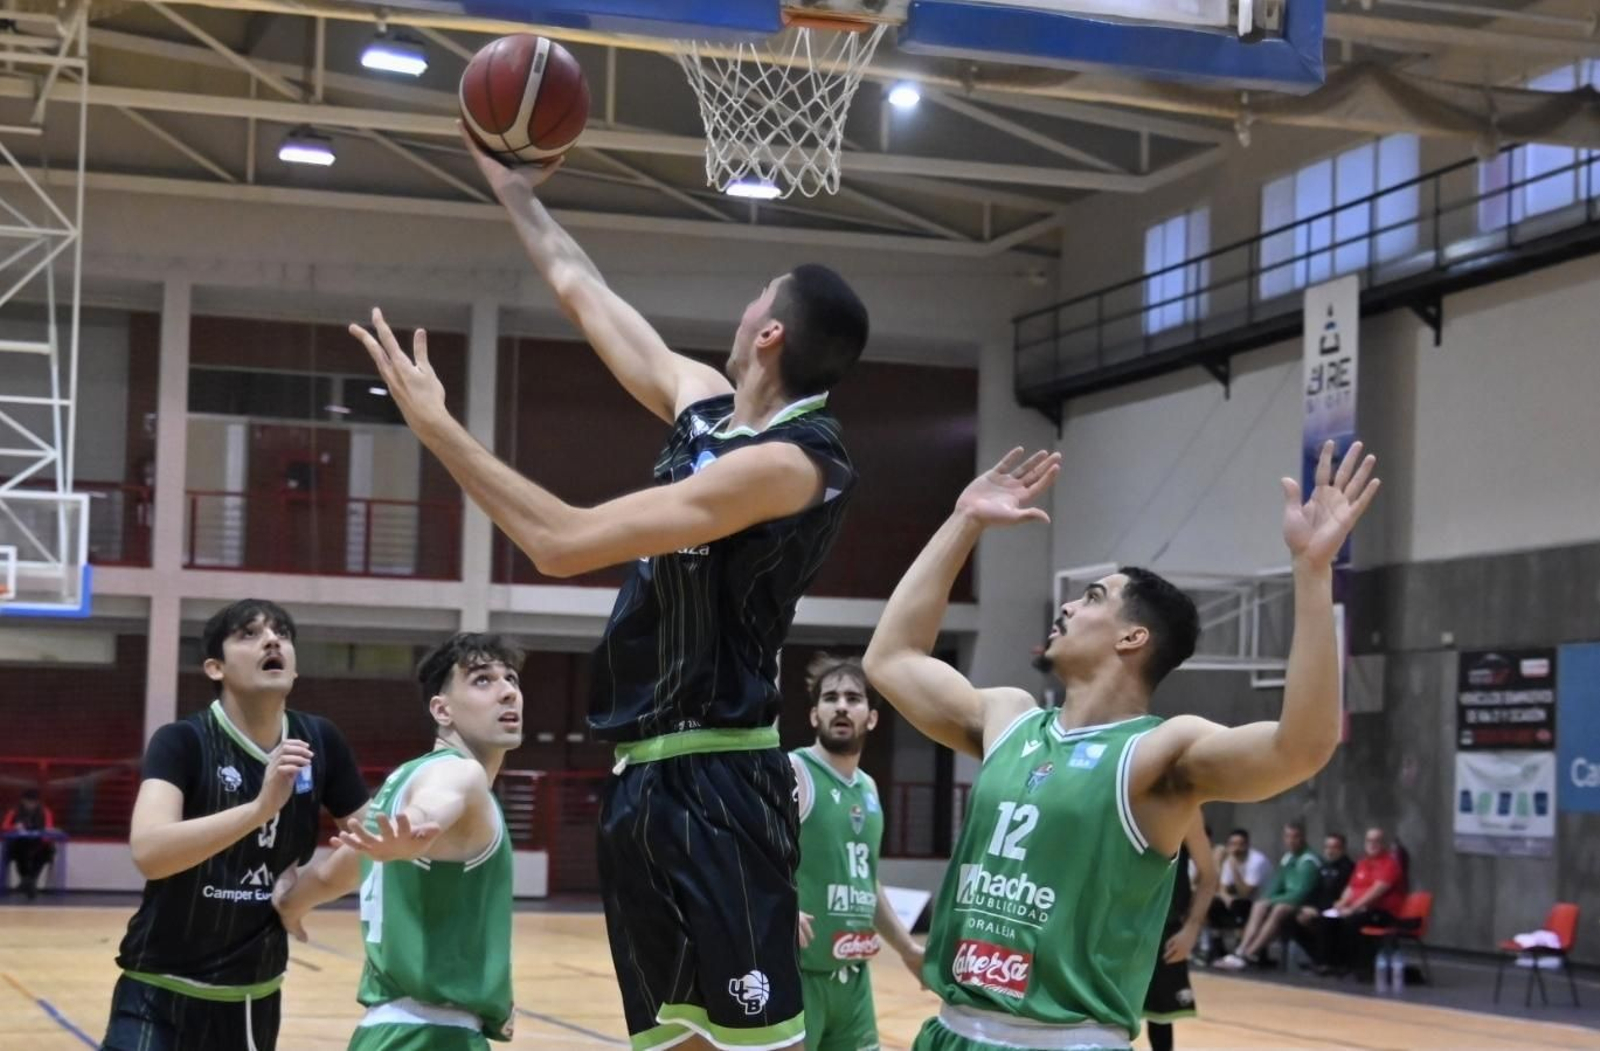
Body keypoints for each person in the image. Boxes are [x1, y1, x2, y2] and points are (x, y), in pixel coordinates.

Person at [350, 138, 869, 1051]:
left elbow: (558, 542)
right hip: (640, 782)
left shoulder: (795, 462)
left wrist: (436, 427)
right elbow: (584, 292)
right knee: (669, 1040)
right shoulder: (704, 402)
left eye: (759, 295)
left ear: (772, 331)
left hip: (722, 780)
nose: (744, 304)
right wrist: (514, 191)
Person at [863, 440, 1379, 1051]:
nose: (1069, 605)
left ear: (1133, 637)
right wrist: (964, 520)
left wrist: (1312, 574)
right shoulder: (1009, 718)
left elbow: (1301, 749)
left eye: (1093, 599)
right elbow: (891, 659)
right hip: (949, 1031)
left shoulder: (1159, 753)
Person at [100, 599, 369, 1051]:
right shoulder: (182, 741)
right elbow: (149, 852)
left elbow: (371, 844)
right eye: (249, 634)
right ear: (214, 667)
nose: (272, 640)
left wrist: (302, 899)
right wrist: (259, 809)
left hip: (251, 997)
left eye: (281, 633)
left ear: (294, 668)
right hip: (157, 988)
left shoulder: (320, 740)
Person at [275, 632, 524, 1050]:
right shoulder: (459, 774)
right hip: (431, 1036)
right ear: (441, 709)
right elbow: (433, 808)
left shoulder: (398, 782)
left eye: (512, 680)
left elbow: (329, 878)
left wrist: (288, 904)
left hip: (383, 1034)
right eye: (483, 680)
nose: (507, 693)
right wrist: (414, 834)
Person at [791, 654, 923, 1051]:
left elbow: (866, 883)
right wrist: (779, 904)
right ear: (815, 716)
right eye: (831, 698)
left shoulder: (868, 788)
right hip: (798, 976)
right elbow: (744, 855)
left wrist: (907, 948)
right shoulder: (793, 772)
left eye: (853, 698)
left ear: (872, 718)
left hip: (853, 979)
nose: (842, 705)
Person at [1141, 818, 1218, 1051]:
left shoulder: (1186, 809)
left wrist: (1191, 928)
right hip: (1114, 926)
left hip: (1166, 929)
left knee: (1161, 1018)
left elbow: (1209, 876)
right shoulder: (1113, 797)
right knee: (1103, 1017)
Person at [1216, 821, 1320, 969]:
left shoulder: (1309, 861)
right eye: (1288, 836)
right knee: (1260, 904)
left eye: (1295, 837)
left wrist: (1272, 901)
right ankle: (1241, 950)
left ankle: (1249, 954)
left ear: (1303, 838)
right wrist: (1267, 899)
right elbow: (1276, 885)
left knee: (1279, 909)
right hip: (1285, 901)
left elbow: (1301, 894)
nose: (1291, 840)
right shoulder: (1287, 858)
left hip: (1306, 904)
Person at [1308, 827, 1406, 977]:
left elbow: (1375, 892)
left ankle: (1353, 965)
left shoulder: (1389, 864)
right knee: (1326, 918)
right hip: (1360, 908)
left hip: (1382, 912)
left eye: (1376, 841)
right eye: (1369, 840)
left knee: (1350, 920)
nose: (1372, 844)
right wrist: (1341, 903)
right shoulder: (1362, 863)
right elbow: (1351, 888)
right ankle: (1326, 964)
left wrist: (1353, 908)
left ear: (1383, 843)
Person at [1203, 829, 1272, 959]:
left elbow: (1245, 892)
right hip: (1242, 901)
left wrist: (1234, 866)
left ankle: (1241, 950)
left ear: (1247, 845)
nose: (1236, 848)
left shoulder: (1257, 861)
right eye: (1233, 844)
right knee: (1213, 904)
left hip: (1261, 902)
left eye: (1240, 844)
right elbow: (1223, 887)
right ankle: (1218, 949)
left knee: (1239, 905)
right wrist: (1226, 897)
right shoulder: (1230, 860)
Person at [1292, 832, 1353, 965]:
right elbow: (1315, 890)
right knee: (1291, 920)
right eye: (1327, 847)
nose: (1330, 851)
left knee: (1325, 921)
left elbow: (1339, 896)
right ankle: (1316, 957)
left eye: (1334, 847)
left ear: (1342, 849)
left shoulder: (1347, 868)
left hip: (1337, 909)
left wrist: (1318, 910)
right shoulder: (1323, 867)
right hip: (1318, 908)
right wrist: (1305, 907)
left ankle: (1325, 962)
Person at [2, 787, 58, 899]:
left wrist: (44, 836)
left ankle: (30, 880)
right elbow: (4, 827)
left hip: (39, 844)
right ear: (23, 801)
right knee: (18, 852)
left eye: (34, 802)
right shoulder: (14, 811)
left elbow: (48, 828)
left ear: (37, 802)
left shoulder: (45, 812)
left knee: (46, 852)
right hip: (19, 843)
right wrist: (14, 827)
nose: (31, 805)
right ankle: (27, 880)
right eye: (28, 802)